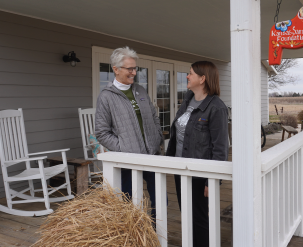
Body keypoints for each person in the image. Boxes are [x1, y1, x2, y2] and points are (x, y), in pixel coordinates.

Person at [95, 46, 163, 220]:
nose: (134, 72)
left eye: (135, 68)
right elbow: (102, 132)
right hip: (128, 160)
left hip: (152, 155)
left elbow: (154, 117)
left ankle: (156, 236)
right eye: (129, 69)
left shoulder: (140, 90)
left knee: (160, 201)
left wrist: (157, 139)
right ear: (115, 69)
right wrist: (124, 148)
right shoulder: (106, 97)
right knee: (128, 203)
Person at [166, 61, 229, 247]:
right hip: (180, 169)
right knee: (185, 214)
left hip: (200, 174)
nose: (187, 76)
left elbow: (220, 147)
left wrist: (213, 179)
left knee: (199, 218)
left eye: (190, 73)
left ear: (202, 79)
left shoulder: (217, 108)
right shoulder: (187, 99)